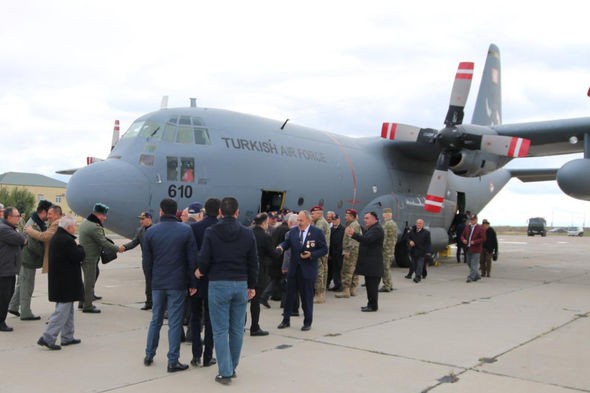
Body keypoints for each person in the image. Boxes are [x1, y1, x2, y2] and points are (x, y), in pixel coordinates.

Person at [196, 197, 258, 385]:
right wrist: (252, 286)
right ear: (237, 212)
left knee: (220, 330)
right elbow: (253, 262)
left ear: (220, 213)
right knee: (237, 328)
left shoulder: (211, 232)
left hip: (219, 283)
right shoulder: (248, 233)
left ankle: (225, 371)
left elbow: (204, 258)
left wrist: (201, 270)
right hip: (240, 284)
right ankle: (232, 366)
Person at [143, 198, 197, 372]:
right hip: (177, 283)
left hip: (158, 282)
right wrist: (192, 282)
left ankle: (149, 354)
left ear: (161, 211)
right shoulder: (186, 230)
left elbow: (147, 262)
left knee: (156, 319)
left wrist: (151, 281)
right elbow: (191, 260)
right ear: (177, 212)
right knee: (175, 322)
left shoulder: (151, 232)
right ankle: (173, 360)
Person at [37, 216, 85, 350]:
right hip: (66, 282)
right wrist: (80, 247)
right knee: (62, 311)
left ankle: (67, 337)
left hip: (61, 281)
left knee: (68, 310)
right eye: (74, 226)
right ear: (69, 228)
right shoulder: (66, 240)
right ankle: (48, 337)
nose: (75, 228)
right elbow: (78, 256)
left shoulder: (58, 237)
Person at [276, 210, 328, 331]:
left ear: (309, 220)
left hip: (308, 270)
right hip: (294, 270)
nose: (299, 222)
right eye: (298, 220)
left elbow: (324, 249)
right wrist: (281, 247)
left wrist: (311, 254)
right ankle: (286, 320)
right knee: (289, 296)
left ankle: (307, 322)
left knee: (307, 297)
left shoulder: (317, 233)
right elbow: (287, 243)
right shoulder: (293, 231)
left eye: (301, 220)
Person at [188, 197, 221, 368]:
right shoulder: (220, 229)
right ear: (220, 211)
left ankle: (196, 356)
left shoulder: (194, 228)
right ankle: (208, 356)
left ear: (204, 211)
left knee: (195, 318)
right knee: (210, 319)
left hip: (197, 280)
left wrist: (192, 280)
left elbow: (190, 255)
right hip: (214, 281)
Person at [8, 199, 52, 320]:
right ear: (42, 211)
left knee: (22, 284)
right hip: (28, 260)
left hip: (25, 259)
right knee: (27, 286)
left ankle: (13, 306)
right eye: (48, 213)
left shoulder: (36, 222)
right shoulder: (33, 225)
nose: (49, 216)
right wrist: (45, 254)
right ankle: (26, 312)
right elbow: (33, 246)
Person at [78, 203, 121, 313]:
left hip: (85, 257)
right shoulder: (94, 226)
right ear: (98, 214)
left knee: (89, 279)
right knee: (89, 282)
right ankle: (88, 306)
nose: (105, 218)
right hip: (90, 258)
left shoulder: (86, 223)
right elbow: (103, 242)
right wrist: (118, 249)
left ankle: (82, 301)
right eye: (104, 215)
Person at [346, 211, 384, 311]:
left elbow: (367, 239)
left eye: (367, 218)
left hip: (373, 264)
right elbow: (365, 236)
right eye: (365, 218)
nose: (365, 220)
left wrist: (354, 234)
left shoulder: (377, 229)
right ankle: (370, 304)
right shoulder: (372, 228)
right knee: (369, 286)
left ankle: (373, 306)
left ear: (374, 219)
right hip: (370, 264)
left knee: (372, 287)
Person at [0, 207, 27, 332]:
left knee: (6, 296)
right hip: (4, 270)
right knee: (4, 297)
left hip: (8, 268)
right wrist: (22, 236)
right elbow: (22, 239)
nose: (19, 218)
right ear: (8, 217)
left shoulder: (8, 228)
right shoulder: (4, 229)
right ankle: (1, 322)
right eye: (17, 216)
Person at [120, 211, 153, 310]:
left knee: (157, 283)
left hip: (157, 261)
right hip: (146, 261)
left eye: (143, 219)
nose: (141, 221)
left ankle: (159, 303)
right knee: (148, 282)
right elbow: (134, 242)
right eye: (140, 219)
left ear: (149, 219)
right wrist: (124, 247)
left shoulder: (156, 229)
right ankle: (149, 302)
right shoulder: (140, 231)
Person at [250, 213, 274, 336]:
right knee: (255, 300)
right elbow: (273, 254)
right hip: (259, 272)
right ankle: (254, 327)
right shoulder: (265, 237)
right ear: (264, 223)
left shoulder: (248, 232)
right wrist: (280, 250)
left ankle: (240, 325)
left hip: (245, 271)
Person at [335, 209, 361, 298]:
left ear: (352, 216)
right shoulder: (354, 224)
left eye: (347, 215)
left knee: (347, 271)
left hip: (351, 252)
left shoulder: (353, 225)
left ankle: (346, 291)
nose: (345, 217)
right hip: (354, 251)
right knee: (353, 271)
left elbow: (353, 239)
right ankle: (352, 290)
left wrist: (347, 251)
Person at [310, 206, 330, 304]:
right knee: (322, 272)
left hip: (319, 252)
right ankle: (321, 294)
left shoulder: (320, 223)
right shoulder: (319, 222)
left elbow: (315, 237)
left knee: (319, 273)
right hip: (322, 252)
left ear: (319, 213)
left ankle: (319, 295)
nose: (311, 216)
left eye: (313, 214)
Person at [460, 214, 486, 283]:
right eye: (471, 219)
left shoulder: (480, 228)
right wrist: (463, 240)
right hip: (468, 248)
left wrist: (475, 242)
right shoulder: (467, 227)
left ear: (476, 220)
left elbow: (483, 238)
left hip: (476, 249)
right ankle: (477, 275)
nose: (472, 221)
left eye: (473, 219)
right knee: (469, 262)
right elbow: (462, 235)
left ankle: (470, 277)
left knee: (474, 264)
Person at [407, 219, 432, 283]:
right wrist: (410, 241)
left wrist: (429, 252)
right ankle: (423, 273)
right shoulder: (412, 231)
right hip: (413, 251)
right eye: (417, 223)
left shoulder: (426, 233)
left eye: (420, 223)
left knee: (420, 264)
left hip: (421, 251)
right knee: (414, 264)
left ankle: (418, 277)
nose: (418, 224)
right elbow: (407, 238)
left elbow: (428, 243)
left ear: (423, 224)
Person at [379, 208, 398, 292]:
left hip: (386, 250)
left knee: (385, 268)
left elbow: (384, 238)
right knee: (388, 268)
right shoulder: (394, 224)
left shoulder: (386, 224)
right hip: (391, 249)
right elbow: (395, 238)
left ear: (385, 214)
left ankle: (386, 286)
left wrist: (380, 248)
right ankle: (390, 284)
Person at [327, 213, 344, 291]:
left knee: (339, 270)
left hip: (339, 253)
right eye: (333, 220)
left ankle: (339, 285)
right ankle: (336, 284)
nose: (334, 221)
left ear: (339, 220)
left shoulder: (343, 229)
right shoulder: (331, 230)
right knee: (334, 270)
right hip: (332, 253)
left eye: (335, 219)